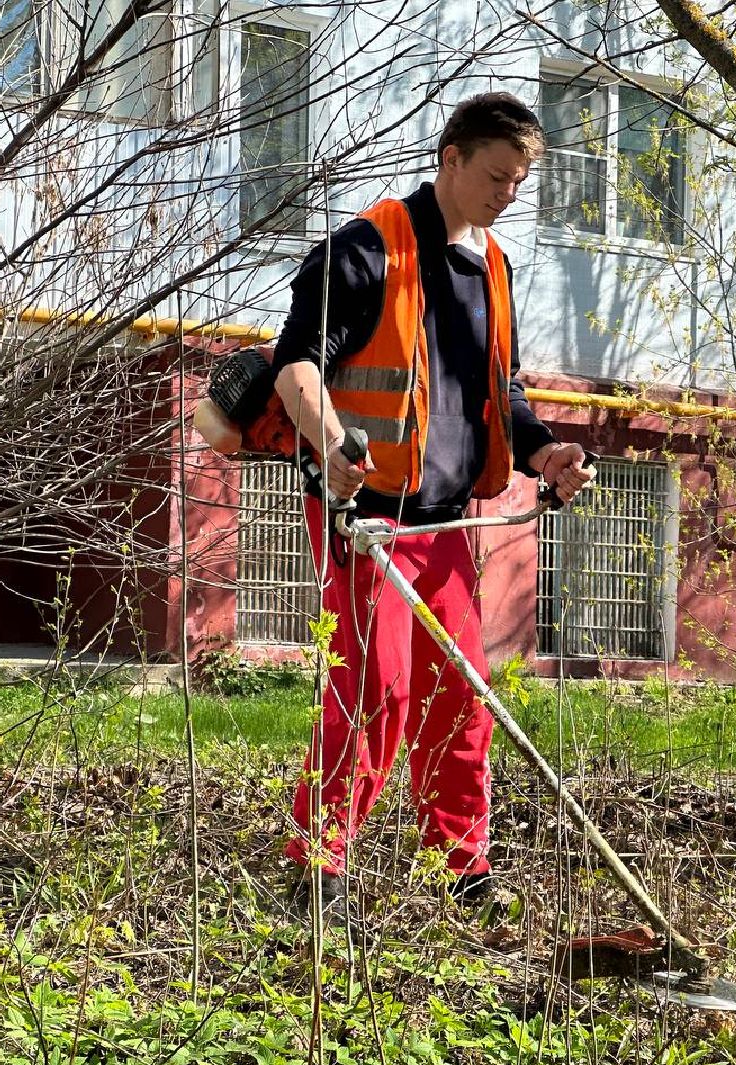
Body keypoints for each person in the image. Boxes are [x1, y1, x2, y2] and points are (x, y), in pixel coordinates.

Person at [272, 92, 594, 912]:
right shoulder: (365, 250)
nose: (508, 194)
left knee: (463, 694)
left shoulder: (492, 267)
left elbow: (500, 391)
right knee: (377, 691)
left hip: (446, 519)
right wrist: (334, 444)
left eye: (520, 182)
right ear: (450, 157)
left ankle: (463, 870)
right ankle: (320, 868)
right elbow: (296, 369)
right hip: (365, 515)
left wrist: (543, 449)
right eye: (497, 176)